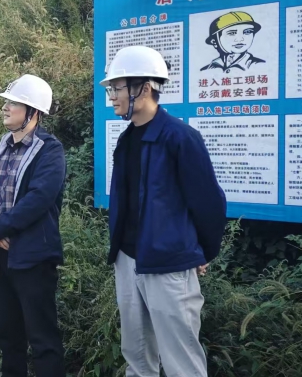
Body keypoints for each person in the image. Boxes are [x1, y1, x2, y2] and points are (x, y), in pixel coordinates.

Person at [103, 45, 226, 377]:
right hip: (128, 259)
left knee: (181, 361)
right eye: (111, 89)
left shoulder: (180, 138)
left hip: (169, 264)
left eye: (117, 88)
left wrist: (202, 252)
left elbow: (209, 203)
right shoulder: (127, 138)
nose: (112, 97)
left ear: (143, 89)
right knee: (137, 355)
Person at [0, 74, 66, 377]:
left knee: (42, 337)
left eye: (14, 103)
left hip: (33, 255)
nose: (5, 107)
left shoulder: (49, 150)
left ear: (33, 112)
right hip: (0, 254)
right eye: (7, 102)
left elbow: (39, 199)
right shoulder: (1, 146)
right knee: (7, 332)